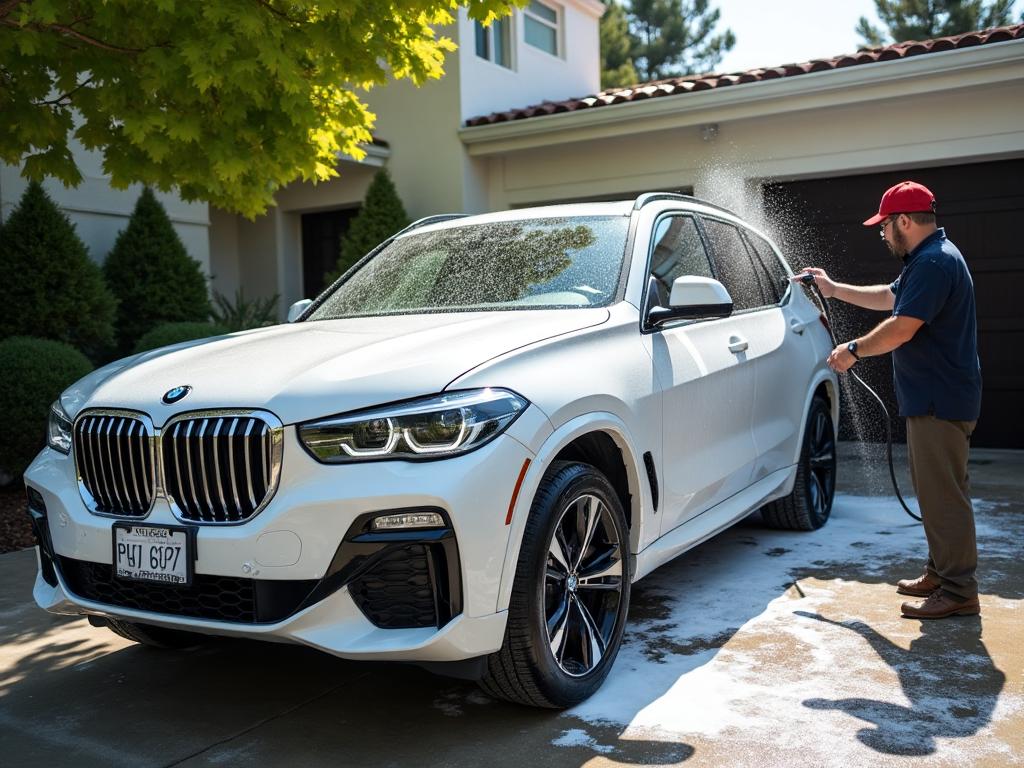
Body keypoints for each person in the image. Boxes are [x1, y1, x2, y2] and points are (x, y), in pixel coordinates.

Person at [796, 180, 983, 620]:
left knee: (944, 495)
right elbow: (889, 297)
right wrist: (834, 288)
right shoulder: (928, 258)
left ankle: (959, 590)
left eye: (884, 226)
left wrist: (853, 351)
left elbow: (902, 326)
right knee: (935, 491)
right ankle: (942, 571)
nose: (881, 234)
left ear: (904, 221)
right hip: (936, 397)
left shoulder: (935, 263)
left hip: (940, 399)